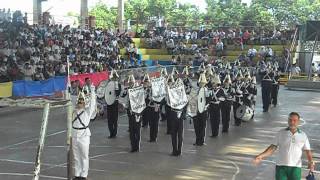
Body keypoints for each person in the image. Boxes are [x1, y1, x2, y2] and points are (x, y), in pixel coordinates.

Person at [253, 112, 315, 180]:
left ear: (298, 122)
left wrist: (311, 162)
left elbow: (308, 151)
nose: (292, 122)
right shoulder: (281, 133)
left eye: (295, 120)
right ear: (288, 121)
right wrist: (260, 156)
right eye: (290, 120)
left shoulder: (303, 135)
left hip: (296, 168)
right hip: (281, 167)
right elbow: (272, 148)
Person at [72, 85, 96, 180]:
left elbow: (93, 104)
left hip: (84, 136)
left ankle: (84, 175)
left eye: (82, 102)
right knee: (76, 156)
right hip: (74, 135)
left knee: (84, 156)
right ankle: (77, 174)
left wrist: (93, 92)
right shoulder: (73, 111)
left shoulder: (87, 112)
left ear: (85, 103)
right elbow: (70, 99)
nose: (80, 103)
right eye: (79, 102)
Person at [106, 69, 121, 138]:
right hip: (109, 104)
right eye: (113, 77)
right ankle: (111, 133)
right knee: (109, 120)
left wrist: (116, 87)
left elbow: (117, 94)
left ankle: (114, 133)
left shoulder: (118, 85)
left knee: (115, 119)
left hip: (115, 103)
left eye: (115, 77)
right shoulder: (108, 84)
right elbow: (106, 93)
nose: (114, 78)